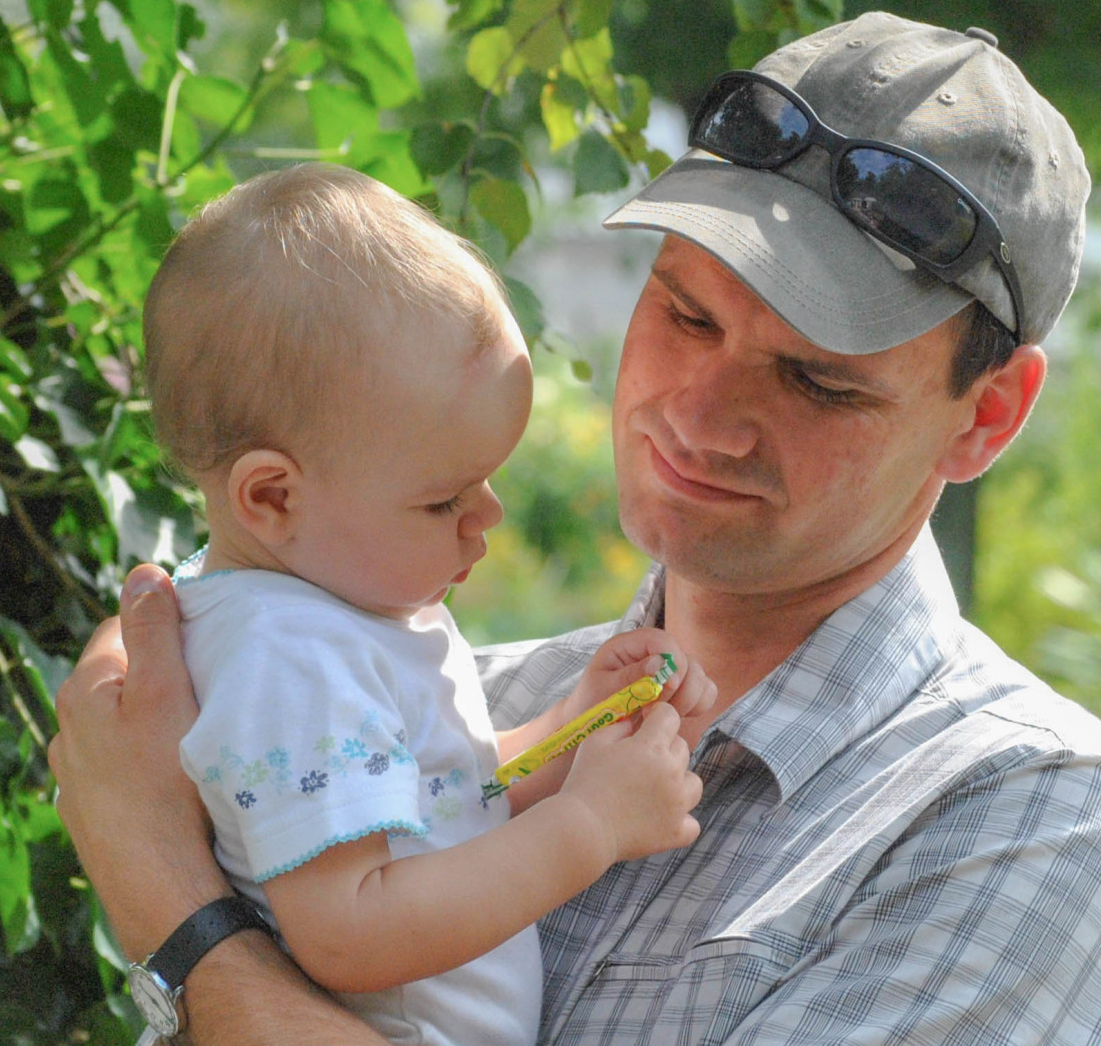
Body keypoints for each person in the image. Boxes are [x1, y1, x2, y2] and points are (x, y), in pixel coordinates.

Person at [50, 11, 1101, 1045]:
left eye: (817, 382)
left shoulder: (1030, 820)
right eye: (685, 313)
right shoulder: (477, 702)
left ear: (985, 419)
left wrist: (173, 905)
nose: (697, 415)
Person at [133, 163, 715, 1046]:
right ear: (274, 500)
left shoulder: (337, 614)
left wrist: (572, 727)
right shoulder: (288, 661)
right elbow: (349, 927)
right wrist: (589, 824)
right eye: (444, 499)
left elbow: (439, 812)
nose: (489, 515)